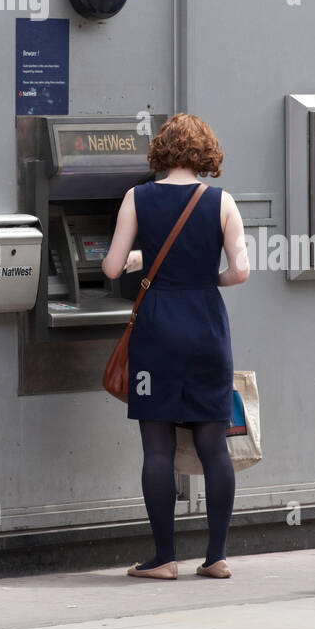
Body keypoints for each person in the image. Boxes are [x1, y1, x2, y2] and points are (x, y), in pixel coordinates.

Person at [102, 113, 249, 581]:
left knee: (158, 445)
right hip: (206, 326)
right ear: (205, 152)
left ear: (161, 151)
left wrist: (141, 261)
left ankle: (164, 558)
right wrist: (206, 279)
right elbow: (240, 271)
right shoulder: (222, 201)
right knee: (213, 442)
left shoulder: (137, 197)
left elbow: (109, 268)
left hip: (157, 327)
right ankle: (217, 556)